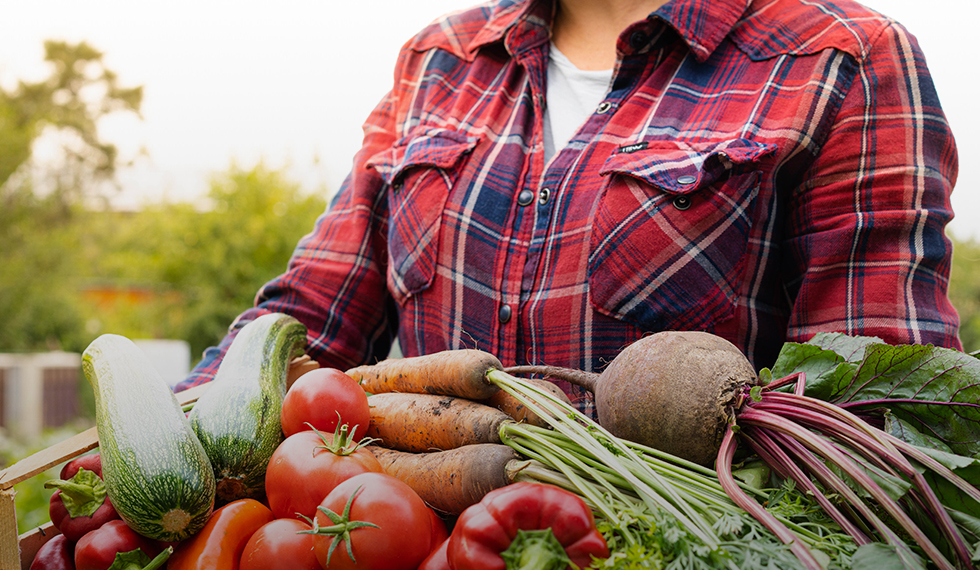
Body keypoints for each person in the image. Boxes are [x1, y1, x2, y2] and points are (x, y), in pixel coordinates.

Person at [175, 0, 962, 409]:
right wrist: (175, 422)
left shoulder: (840, 60)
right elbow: (310, 315)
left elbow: (868, 400)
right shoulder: (441, 58)